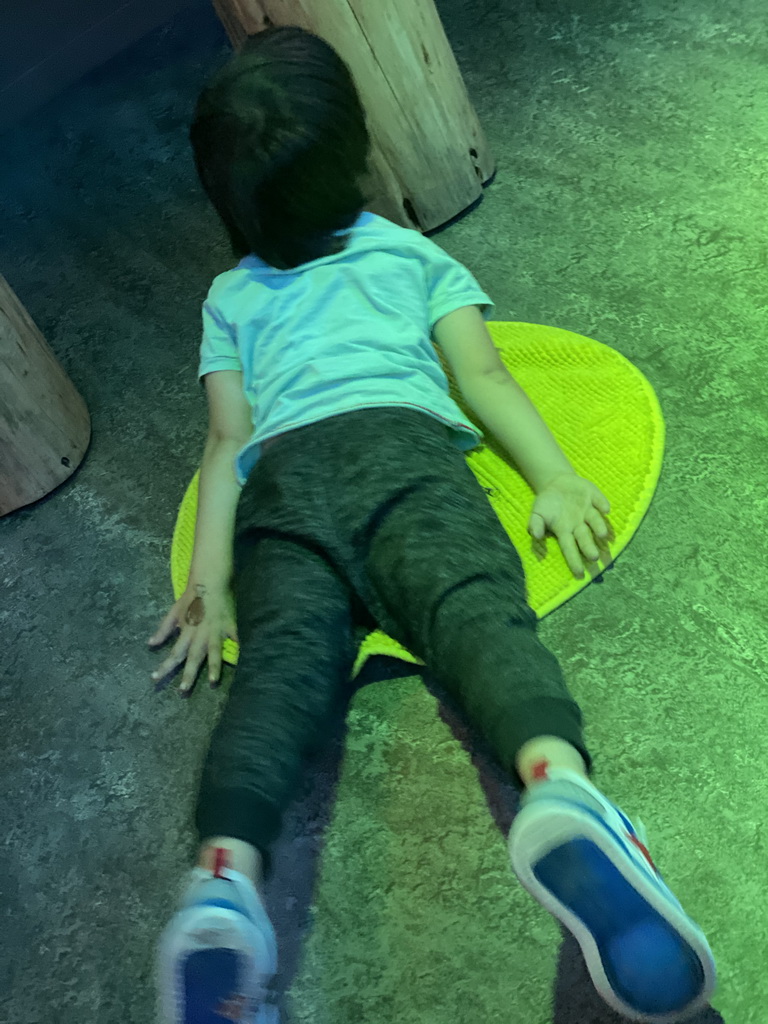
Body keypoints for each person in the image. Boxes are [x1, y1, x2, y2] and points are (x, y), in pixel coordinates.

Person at [150, 26, 716, 1024]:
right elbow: (483, 374)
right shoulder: (409, 255)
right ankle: (556, 783)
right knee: (478, 621)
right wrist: (555, 477)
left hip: (286, 493)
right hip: (407, 462)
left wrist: (208, 583)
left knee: (279, 684)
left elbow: (226, 443)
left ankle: (225, 879)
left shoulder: (229, 295)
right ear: (358, 157)